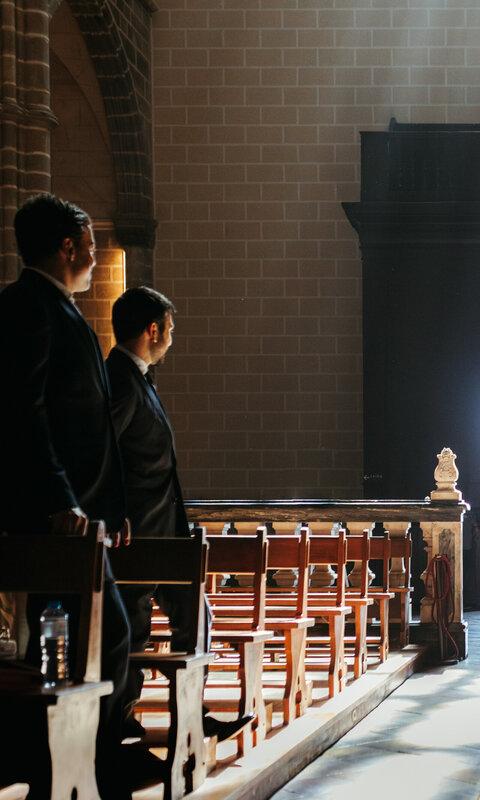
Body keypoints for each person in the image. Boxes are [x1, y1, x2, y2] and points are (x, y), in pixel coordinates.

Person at [0, 193, 138, 798]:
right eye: (86, 245)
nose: (91, 255)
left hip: (82, 517)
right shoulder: (29, 308)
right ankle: (81, 769)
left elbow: (89, 425)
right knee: (102, 639)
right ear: (66, 247)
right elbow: (25, 412)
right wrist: (64, 501)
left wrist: (111, 509)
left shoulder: (58, 308)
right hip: (59, 521)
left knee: (76, 647)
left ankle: (69, 768)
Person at [106, 286, 251, 744]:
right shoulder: (120, 380)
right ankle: (122, 729)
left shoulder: (140, 377)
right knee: (131, 633)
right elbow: (101, 452)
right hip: (138, 535)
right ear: (154, 329)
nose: (173, 336)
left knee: (196, 618)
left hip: (165, 535)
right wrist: (113, 514)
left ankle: (191, 714)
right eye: (170, 328)